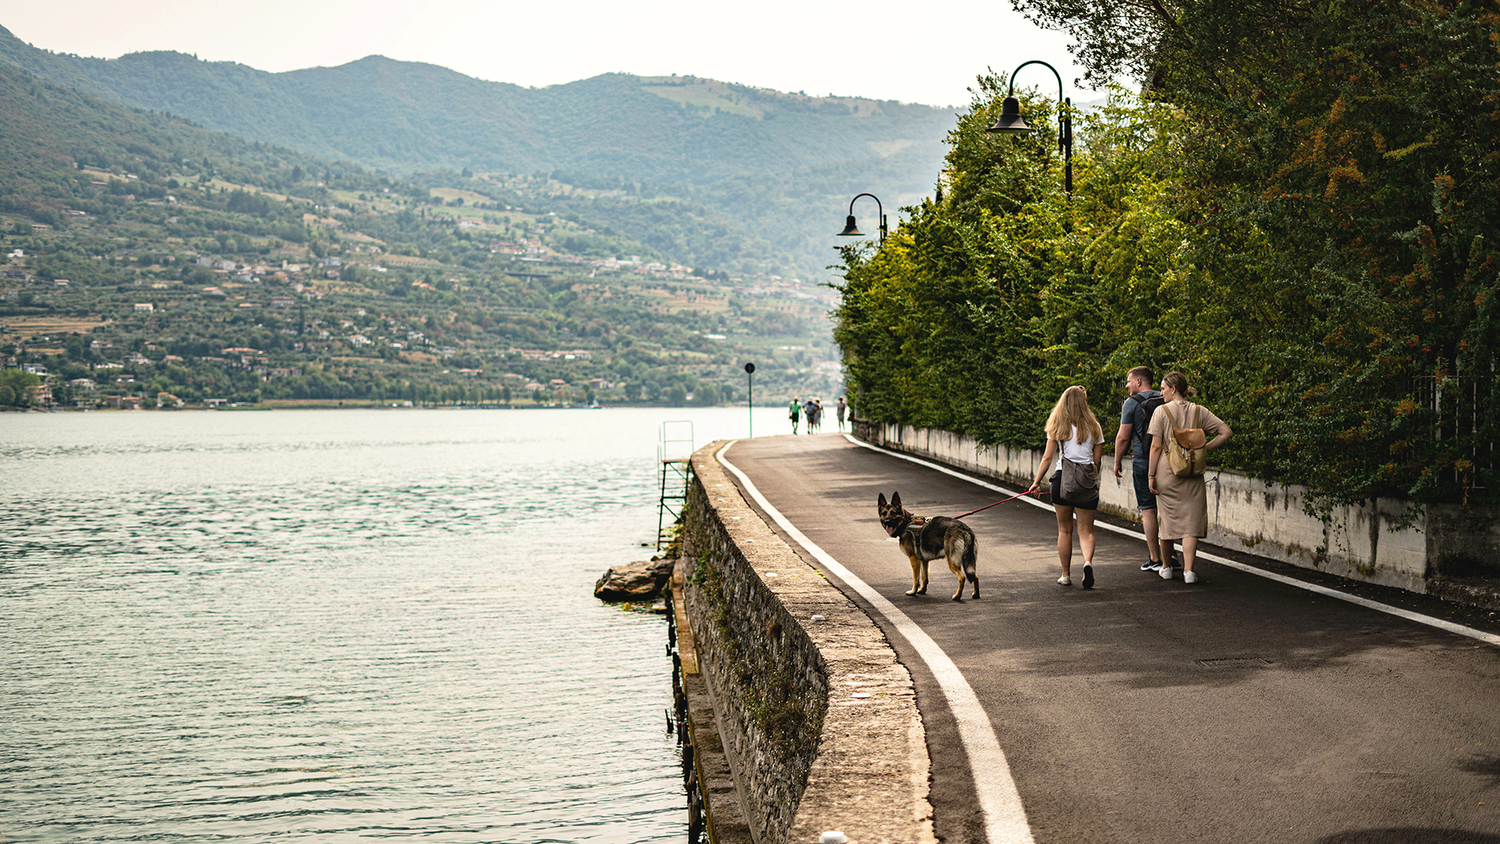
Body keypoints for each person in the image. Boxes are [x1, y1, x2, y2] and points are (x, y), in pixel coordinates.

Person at [1147, 371, 1233, 584]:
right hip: (1193, 472)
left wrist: (1150, 475)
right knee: (1191, 522)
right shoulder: (1199, 411)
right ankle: (1189, 571)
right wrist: (1204, 449)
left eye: (1163, 388)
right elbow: (1226, 432)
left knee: (1167, 521)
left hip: (1167, 472)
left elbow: (1156, 446)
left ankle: (1166, 567)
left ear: (1173, 389)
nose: (1161, 392)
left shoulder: (1160, 412)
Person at [1026, 385, 1105, 589]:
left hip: (1062, 481)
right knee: (1086, 531)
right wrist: (1091, 480)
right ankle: (1087, 562)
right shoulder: (1095, 426)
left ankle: (1066, 575)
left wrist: (1036, 482)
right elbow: (1097, 460)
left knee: (1064, 529)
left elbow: (1047, 458)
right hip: (1086, 482)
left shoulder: (1058, 426)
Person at [1112, 366, 1166, 572]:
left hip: (1143, 461)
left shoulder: (1131, 403)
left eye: (1129, 381)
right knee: (1167, 509)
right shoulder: (1165, 398)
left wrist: (1117, 461)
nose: (1127, 385)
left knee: (1148, 509)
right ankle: (1170, 555)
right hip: (1166, 461)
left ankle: (1155, 558)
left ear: (1139, 382)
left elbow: (1122, 437)